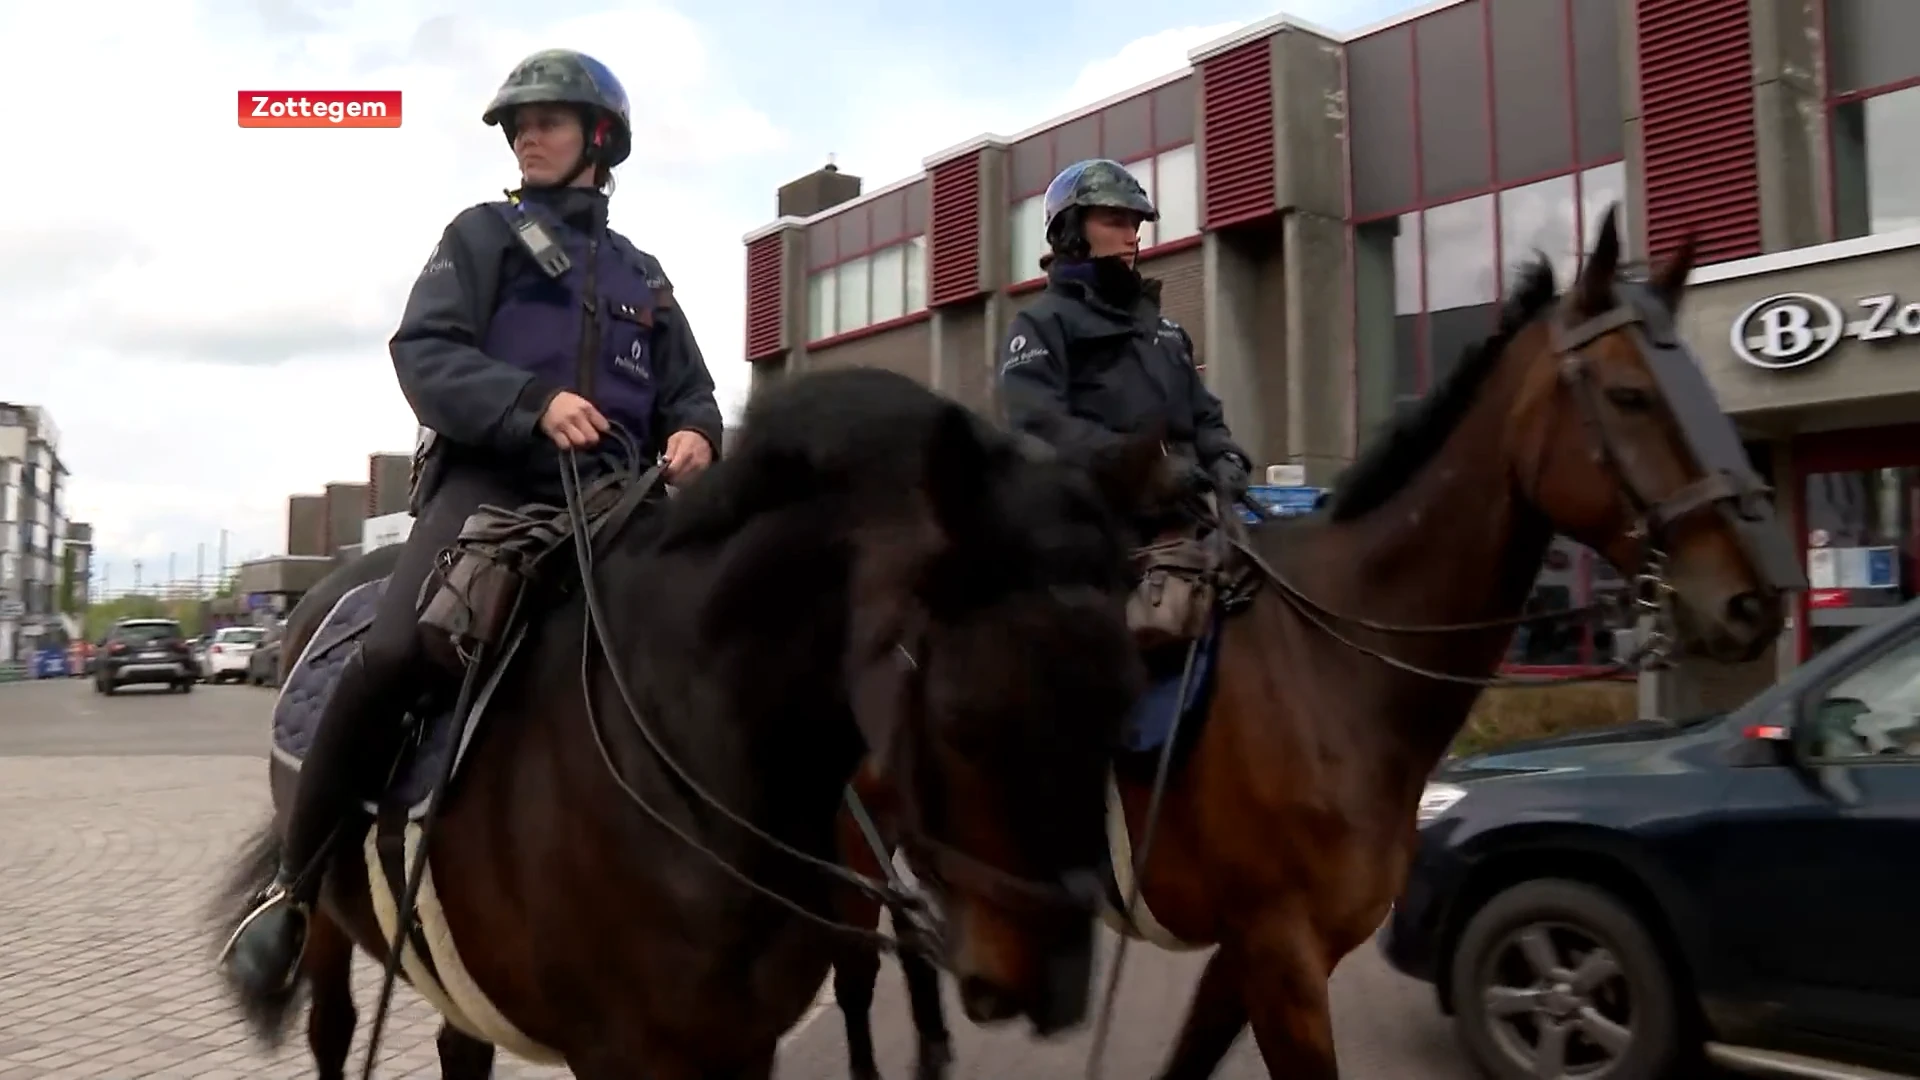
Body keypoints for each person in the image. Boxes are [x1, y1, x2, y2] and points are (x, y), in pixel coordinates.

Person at [218, 48, 724, 998]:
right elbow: (425, 351)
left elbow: (690, 393)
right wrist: (532, 402)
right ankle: (292, 891)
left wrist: (696, 433)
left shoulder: (645, 276)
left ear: (600, 139)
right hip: (490, 493)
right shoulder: (482, 236)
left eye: (549, 121)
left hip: (620, 505)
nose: (527, 135)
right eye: (518, 124)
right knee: (397, 649)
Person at [997, 159, 1252, 528]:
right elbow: (1039, 427)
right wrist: (1146, 466)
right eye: (1115, 222)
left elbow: (1206, 418)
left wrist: (1225, 458)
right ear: (1070, 231)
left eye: (1135, 224)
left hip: (1187, 523)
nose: (1131, 236)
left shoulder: (1167, 332)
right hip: (1093, 533)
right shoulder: (1039, 325)